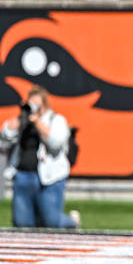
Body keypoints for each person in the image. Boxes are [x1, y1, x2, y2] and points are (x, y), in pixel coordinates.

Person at [0, 85, 80, 229]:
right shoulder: (23, 121)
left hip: (49, 178)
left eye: (36, 104)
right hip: (23, 175)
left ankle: (72, 222)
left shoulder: (56, 120)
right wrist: (22, 116)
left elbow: (55, 143)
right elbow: (5, 137)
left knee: (51, 222)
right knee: (22, 224)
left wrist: (37, 122)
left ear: (44, 105)